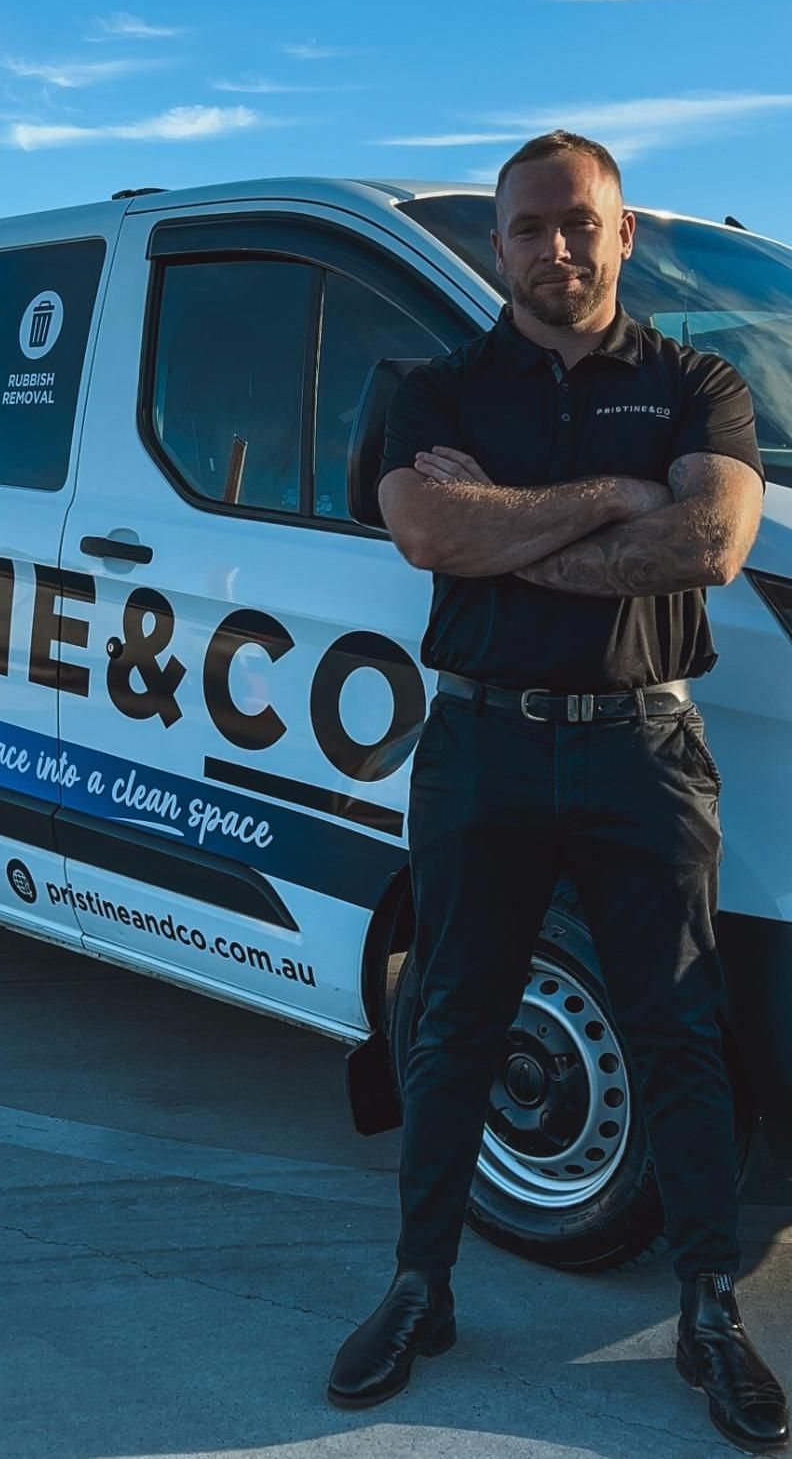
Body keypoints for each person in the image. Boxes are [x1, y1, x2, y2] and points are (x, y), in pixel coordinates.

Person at [326, 130, 788, 1455]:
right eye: (528, 227)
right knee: (454, 1021)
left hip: (641, 749)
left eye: (578, 222)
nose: (554, 248)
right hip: (481, 750)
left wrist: (508, 531)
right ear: (499, 244)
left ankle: (708, 1307)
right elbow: (426, 532)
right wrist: (607, 503)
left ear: (621, 232)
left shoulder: (703, 379)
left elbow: (709, 542)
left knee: (682, 1034)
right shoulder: (439, 386)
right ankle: (422, 1284)